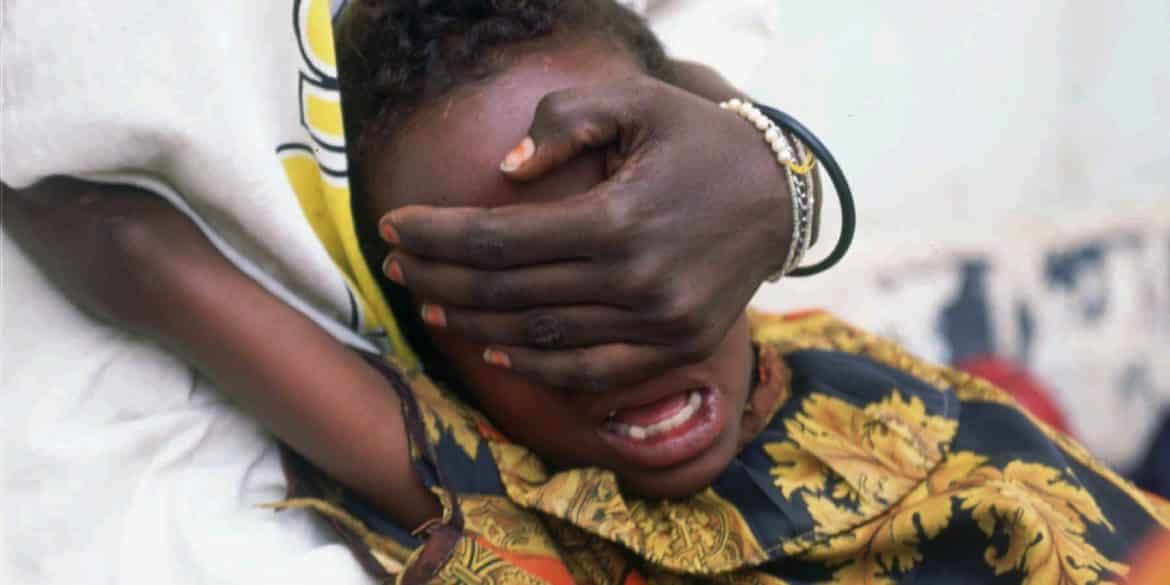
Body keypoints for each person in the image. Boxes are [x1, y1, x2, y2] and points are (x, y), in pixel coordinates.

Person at [9, 1, 1169, 583]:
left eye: (630, 252)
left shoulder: (874, 394)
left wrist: (773, 159)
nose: (621, 346)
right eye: (527, 306)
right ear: (429, 337)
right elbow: (142, 256)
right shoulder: (530, 496)